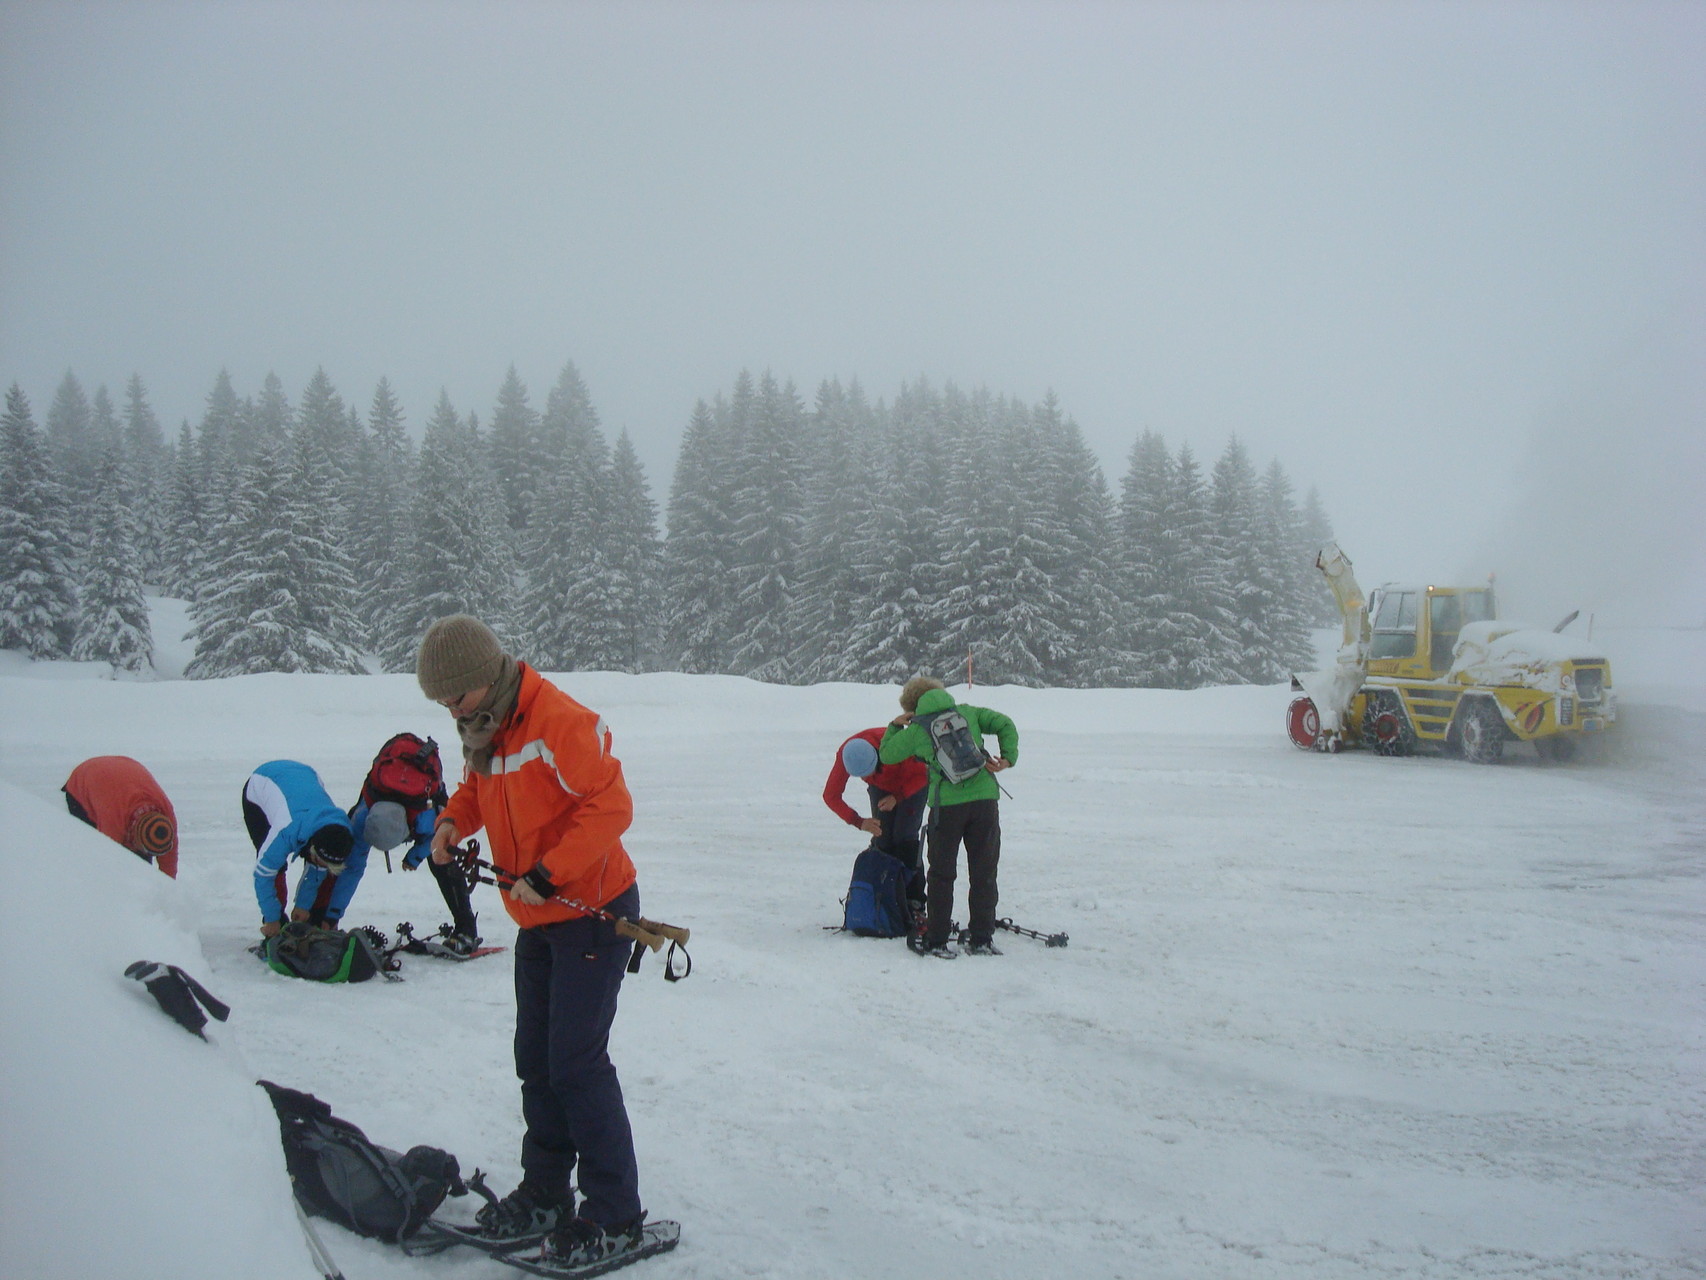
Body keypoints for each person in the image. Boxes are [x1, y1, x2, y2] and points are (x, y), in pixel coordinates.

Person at [416, 613, 648, 1269]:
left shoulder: (558, 721)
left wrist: (548, 874)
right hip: (538, 920)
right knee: (537, 1061)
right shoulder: (486, 727)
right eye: (440, 702)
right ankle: (547, 1194)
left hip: (591, 910)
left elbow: (612, 806)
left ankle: (617, 1215)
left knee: (576, 1063)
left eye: (453, 697)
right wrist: (452, 825)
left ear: (483, 678)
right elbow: (475, 789)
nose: (449, 710)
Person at [878, 676, 1018, 958]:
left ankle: (937, 939)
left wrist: (894, 726)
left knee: (942, 874)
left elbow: (888, 755)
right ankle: (981, 938)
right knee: (984, 871)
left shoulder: (917, 730)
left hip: (947, 806)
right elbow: (1006, 723)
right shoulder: (968, 712)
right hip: (985, 802)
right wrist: (1007, 758)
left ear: (912, 707)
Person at [241, 760, 355, 939]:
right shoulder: (286, 829)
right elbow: (263, 874)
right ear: (313, 848)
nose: (323, 867)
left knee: (322, 865)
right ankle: (277, 924)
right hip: (261, 784)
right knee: (276, 865)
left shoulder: (342, 831)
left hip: (306, 775)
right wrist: (272, 919)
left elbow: (318, 868)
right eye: (321, 861)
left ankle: (307, 918)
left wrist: (303, 905)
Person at [823, 728, 929, 907]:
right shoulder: (846, 755)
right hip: (882, 786)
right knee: (883, 837)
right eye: (863, 776)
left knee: (905, 837)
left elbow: (925, 774)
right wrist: (859, 822)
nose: (867, 777)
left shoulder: (898, 745)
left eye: (871, 770)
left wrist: (898, 797)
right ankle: (886, 895)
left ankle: (914, 900)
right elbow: (831, 795)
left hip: (912, 782)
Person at [62, 755, 179, 878]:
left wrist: (169, 885)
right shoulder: (113, 822)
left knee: (140, 863)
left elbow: (169, 863)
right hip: (84, 780)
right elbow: (109, 862)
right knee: (92, 852)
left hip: (121, 770)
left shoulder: (166, 816)